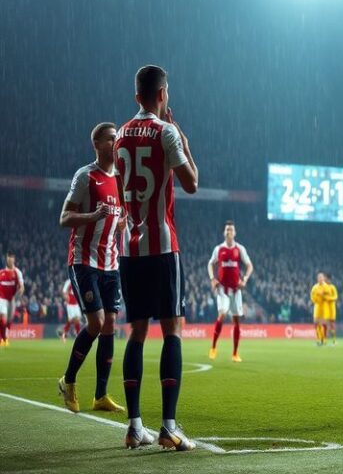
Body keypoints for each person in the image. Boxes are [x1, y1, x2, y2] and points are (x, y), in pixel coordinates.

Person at [115, 65, 199, 450]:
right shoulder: (166, 132)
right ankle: (168, 427)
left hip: (130, 250)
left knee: (135, 333)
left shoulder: (119, 138)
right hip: (163, 248)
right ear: (163, 95)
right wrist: (180, 133)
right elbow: (192, 183)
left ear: (137, 96)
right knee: (172, 331)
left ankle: (134, 427)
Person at [57, 122, 126, 413]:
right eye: (111, 139)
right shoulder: (86, 176)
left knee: (110, 326)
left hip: (111, 263)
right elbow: (64, 218)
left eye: (117, 139)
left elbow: (119, 220)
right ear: (96, 143)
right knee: (96, 323)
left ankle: (100, 395)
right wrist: (93, 215)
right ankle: (68, 380)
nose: (116, 143)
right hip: (84, 260)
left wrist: (120, 225)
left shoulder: (121, 180)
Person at [207, 221, 253, 362]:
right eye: (227, 230)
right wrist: (212, 279)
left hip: (236, 290)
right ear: (224, 232)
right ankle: (213, 348)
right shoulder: (218, 249)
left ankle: (235, 353)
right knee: (222, 314)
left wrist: (244, 279)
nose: (229, 232)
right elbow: (210, 263)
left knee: (236, 321)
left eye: (231, 230)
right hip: (222, 289)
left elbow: (249, 265)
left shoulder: (240, 249)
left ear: (235, 233)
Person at [0, 251, 24, 347]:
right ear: (6, 259)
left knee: (9, 320)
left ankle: (5, 337)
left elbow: (22, 287)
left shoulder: (17, 272)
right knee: (3, 318)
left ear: (14, 259)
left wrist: (17, 297)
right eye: (8, 257)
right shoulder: (1, 273)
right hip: (2, 299)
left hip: (12, 299)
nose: (10, 259)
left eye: (12, 257)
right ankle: (3, 339)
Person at [320, 272, 339, 345]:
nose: (323, 279)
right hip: (324, 309)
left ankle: (334, 341)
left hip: (331, 309)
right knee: (324, 324)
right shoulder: (323, 287)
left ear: (328, 279)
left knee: (332, 325)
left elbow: (335, 297)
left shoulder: (332, 287)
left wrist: (327, 298)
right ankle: (324, 341)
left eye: (324, 278)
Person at [310, 274, 328, 346]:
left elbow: (328, 296)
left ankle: (323, 340)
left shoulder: (326, 287)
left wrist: (323, 295)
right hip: (317, 307)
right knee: (316, 323)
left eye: (321, 277)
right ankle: (319, 339)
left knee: (323, 324)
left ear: (324, 278)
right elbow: (312, 296)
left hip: (324, 307)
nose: (320, 279)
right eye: (319, 277)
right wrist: (315, 300)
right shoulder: (315, 287)